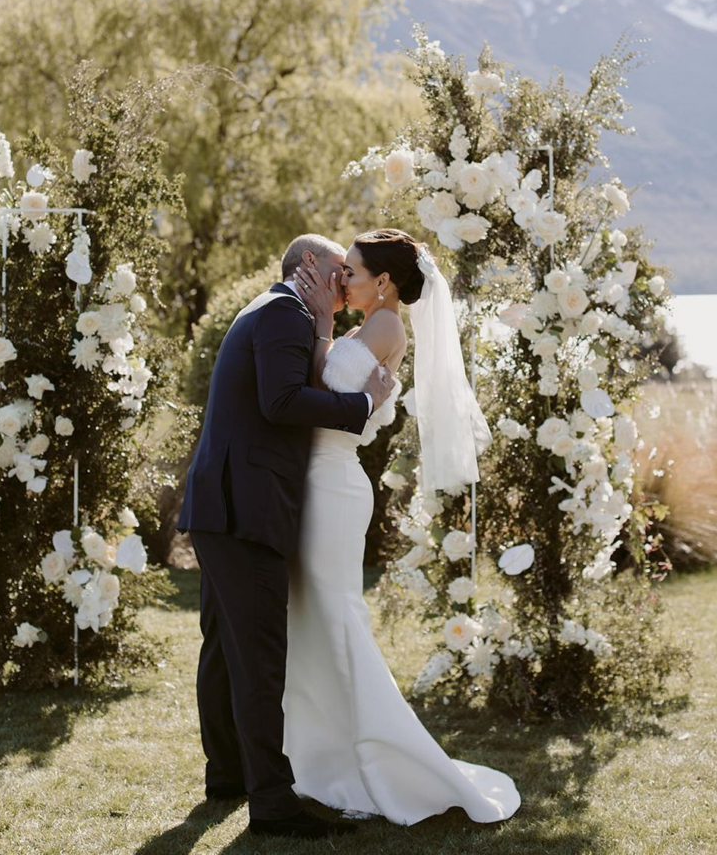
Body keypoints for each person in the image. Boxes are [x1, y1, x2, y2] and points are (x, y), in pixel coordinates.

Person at [284, 228, 521, 825]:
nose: (344, 280)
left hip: (332, 483)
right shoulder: (370, 328)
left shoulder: (386, 326)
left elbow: (320, 395)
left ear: (384, 282)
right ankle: (322, 759)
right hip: (319, 480)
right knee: (315, 620)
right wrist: (322, 328)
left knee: (337, 620)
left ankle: (379, 757)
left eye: (353, 272)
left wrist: (319, 327)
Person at [177, 233, 395, 841]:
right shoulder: (284, 312)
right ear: (308, 265)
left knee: (225, 648)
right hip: (244, 509)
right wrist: (360, 405)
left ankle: (226, 776)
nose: (343, 282)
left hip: (224, 504)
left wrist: (325, 322)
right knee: (260, 655)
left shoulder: (282, 309)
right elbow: (279, 402)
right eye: (336, 270)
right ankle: (271, 803)